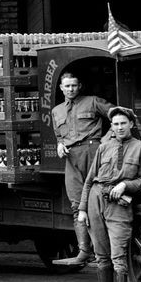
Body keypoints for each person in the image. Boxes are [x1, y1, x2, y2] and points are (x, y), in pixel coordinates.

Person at [78, 106, 141, 282]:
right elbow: (90, 180)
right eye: (116, 124)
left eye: (123, 123)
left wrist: (125, 185)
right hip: (95, 199)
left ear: (131, 124)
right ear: (112, 126)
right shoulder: (104, 147)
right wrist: (82, 209)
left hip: (118, 204)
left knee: (118, 255)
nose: (119, 127)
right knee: (101, 255)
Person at [50, 71, 112, 266]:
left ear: (80, 86)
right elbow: (59, 135)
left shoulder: (93, 101)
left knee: (100, 201)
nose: (71, 89)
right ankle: (84, 251)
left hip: (93, 152)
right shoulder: (56, 111)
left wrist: (107, 138)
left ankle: (106, 251)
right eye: (67, 86)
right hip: (71, 159)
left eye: (74, 86)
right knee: (77, 204)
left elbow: (118, 114)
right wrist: (59, 145)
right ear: (61, 88)